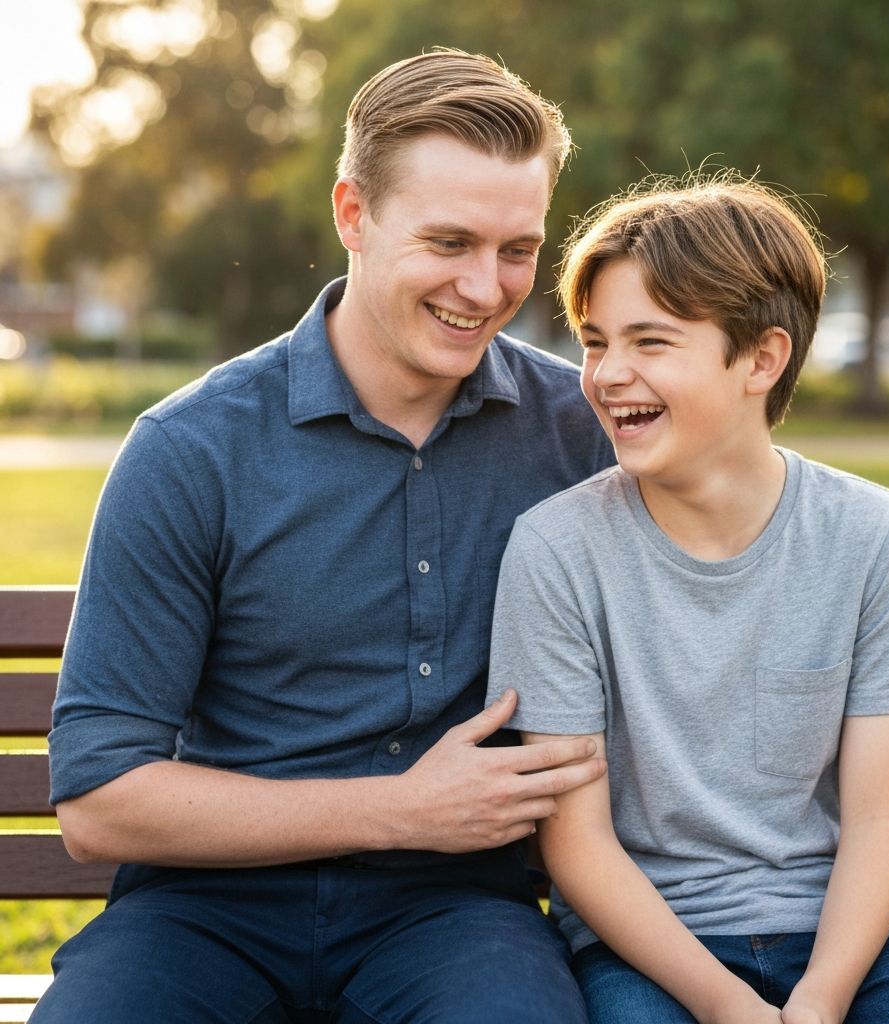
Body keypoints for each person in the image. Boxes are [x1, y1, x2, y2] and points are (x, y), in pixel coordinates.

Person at [38, 49, 614, 1024]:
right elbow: (99, 799)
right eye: (448, 242)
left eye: (518, 249)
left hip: (454, 912)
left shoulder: (581, 430)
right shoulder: (191, 449)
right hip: (201, 909)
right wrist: (402, 808)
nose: (484, 287)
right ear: (352, 214)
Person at [485, 173, 889, 1023]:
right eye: (594, 341)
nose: (610, 374)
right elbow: (576, 844)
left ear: (761, 358)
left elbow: (880, 821)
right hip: (646, 949)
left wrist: (822, 1000)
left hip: (848, 945)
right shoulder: (556, 549)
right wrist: (729, 1007)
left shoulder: (873, 535)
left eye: (651, 342)